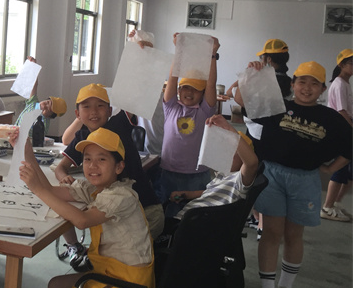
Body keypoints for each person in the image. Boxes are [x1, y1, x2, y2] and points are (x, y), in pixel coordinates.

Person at [15, 128, 154, 288]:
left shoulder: (121, 196)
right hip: (115, 278)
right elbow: (50, 190)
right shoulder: (96, 189)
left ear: (119, 166)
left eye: (102, 159)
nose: (92, 165)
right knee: (55, 284)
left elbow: (80, 220)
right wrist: (27, 152)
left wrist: (36, 188)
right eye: (87, 159)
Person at [244, 61, 351, 288]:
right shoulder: (276, 108)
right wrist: (252, 75)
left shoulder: (331, 119)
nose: (307, 88)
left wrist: (330, 168)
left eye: (314, 83)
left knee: (294, 235)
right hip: (273, 176)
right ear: (293, 84)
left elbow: (350, 146)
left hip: (305, 180)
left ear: (323, 89)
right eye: (302, 81)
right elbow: (245, 103)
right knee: (271, 233)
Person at [54, 84, 163, 270]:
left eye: (100, 105)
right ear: (77, 113)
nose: (94, 112)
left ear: (110, 110)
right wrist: (63, 176)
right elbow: (60, 167)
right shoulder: (83, 136)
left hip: (146, 212)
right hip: (115, 214)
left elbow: (139, 93)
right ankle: (77, 248)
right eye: (86, 106)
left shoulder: (118, 124)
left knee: (120, 265)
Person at [158, 33, 219, 217]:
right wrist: (178, 51)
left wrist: (213, 54)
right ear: (179, 89)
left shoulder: (205, 111)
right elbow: (173, 78)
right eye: (186, 87)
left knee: (194, 216)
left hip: (196, 174)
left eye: (196, 89)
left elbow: (211, 84)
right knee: (168, 213)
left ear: (202, 93)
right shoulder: (171, 107)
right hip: (169, 171)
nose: (190, 92)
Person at [168, 115, 259, 220]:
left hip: (197, 222)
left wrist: (229, 129)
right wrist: (186, 194)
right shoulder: (222, 175)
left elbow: (251, 163)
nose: (226, 154)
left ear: (243, 159)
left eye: (232, 151)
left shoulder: (239, 181)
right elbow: (210, 192)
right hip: (188, 217)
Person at [320, 49, 353, 222]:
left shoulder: (345, 83)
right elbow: (341, 111)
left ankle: (335, 203)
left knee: (347, 169)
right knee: (341, 169)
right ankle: (327, 206)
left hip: (345, 127)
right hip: (341, 129)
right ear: (341, 64)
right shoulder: (339, 83)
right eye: (351, 63)